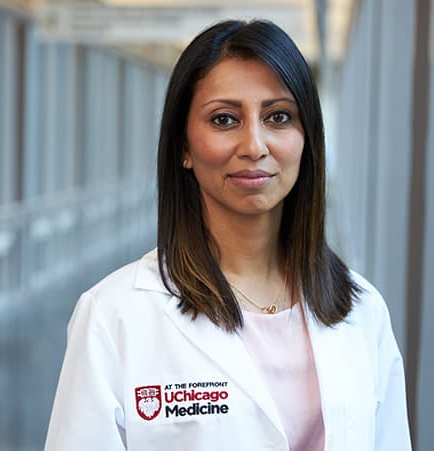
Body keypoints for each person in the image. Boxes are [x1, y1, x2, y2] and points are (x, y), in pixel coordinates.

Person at [44, 19, 411, 451]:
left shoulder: (363, 311)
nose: (255, 145)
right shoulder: (113, 317)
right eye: (224, 119)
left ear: (307, 137)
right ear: (183, 146)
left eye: (279, 117)